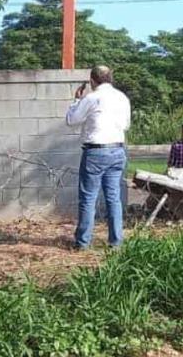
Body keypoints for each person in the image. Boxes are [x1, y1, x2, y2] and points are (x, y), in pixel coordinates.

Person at [65, 65, 131, 250]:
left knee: (88, 198)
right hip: (117, 150)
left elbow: (71, 120)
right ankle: (116, 242)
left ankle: (83, 243)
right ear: (110, 78)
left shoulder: (91, 98)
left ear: (92, 81)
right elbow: (125, 125)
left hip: (95, 151)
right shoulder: (122, 98)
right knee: (113, 197)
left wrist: (76, 101)